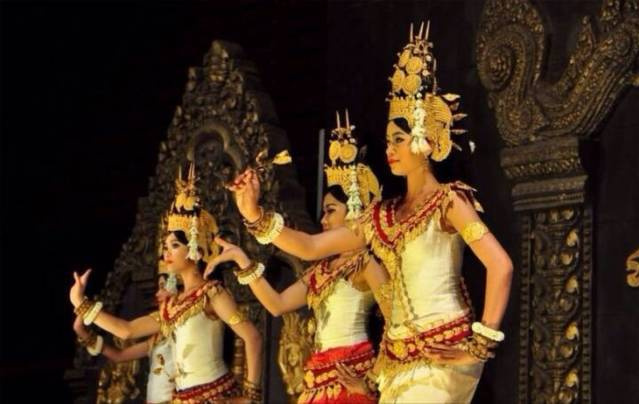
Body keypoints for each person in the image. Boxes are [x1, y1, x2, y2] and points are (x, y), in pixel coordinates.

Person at [227, 22, 513, 403]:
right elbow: (310, 247)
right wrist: (254, 214)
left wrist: (479, 345)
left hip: (443, 353)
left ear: (426, 139)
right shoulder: (381, 218)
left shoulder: (448, 203)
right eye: (388, 140)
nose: (390, 149)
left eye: (399, 139)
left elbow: (500, 266)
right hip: (395, 362)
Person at [209, 112, 389, 403]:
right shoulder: (323, 272)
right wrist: (243, 261)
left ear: (354, 212)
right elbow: (277, 304)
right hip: (317, 380)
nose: (323, 219)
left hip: (350, 376)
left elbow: (396, 321)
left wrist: (370, 381)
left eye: (331, 211)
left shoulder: (365, 263)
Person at [70, 163, 263, 403]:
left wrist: (250, 396)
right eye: (165, 246)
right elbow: (126, 330)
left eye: (174, 245)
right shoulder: (171, 308)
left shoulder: (212, 294)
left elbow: (252, 337)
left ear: (195, 249)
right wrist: (81, 303)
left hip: (216, 396)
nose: (166, 253)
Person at [73, 268, 179, 404]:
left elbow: (127, 331)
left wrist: (81, 304)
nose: (157, 294)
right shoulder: (157, 338)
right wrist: (82, 331)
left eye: (163, 287)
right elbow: (119, 356)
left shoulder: (178, 321)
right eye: (158, 288)